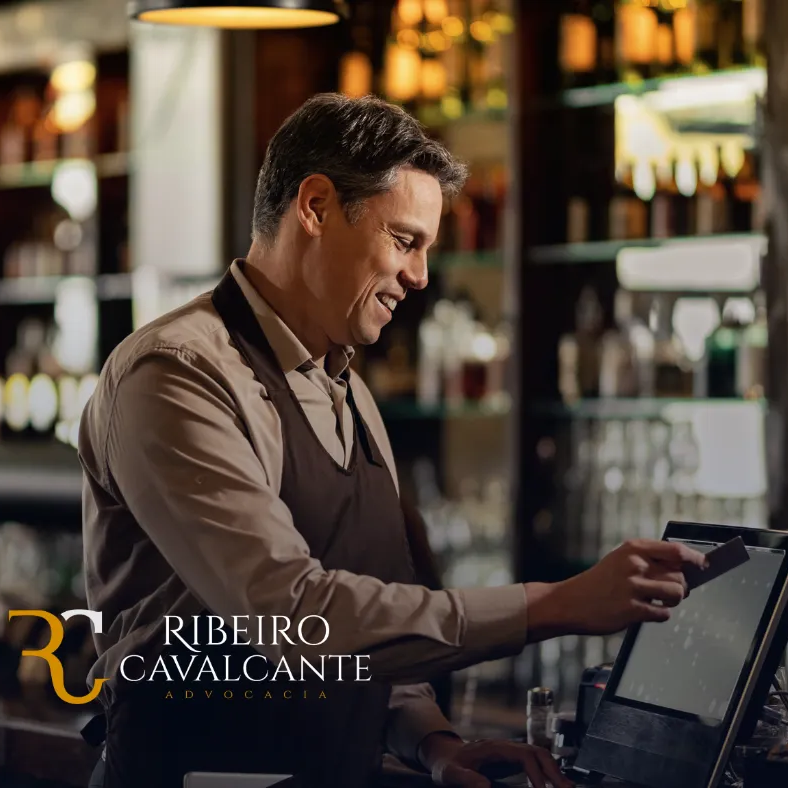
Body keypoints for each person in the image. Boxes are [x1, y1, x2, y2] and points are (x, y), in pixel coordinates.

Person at [77, 94, 706, 788]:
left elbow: (368, 628)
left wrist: (433, 742)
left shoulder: (350, 391)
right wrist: (552, 605)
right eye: (404, 241)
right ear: (315, 207)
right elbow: (295, 616)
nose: (420, 277)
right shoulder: (177, 373)